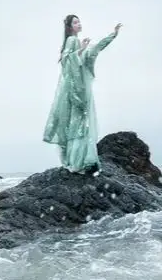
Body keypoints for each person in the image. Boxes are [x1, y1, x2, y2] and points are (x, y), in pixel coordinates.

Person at [43, 15, 122, 174]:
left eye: (79, 21)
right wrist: (81, 50)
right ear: (70, 27)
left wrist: (112, 35)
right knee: (79, 124)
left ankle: (79, 160)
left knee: (78, 124)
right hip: (75, 88)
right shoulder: (72, 40)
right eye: (75, 22)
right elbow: (66, 61)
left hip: (80, 87)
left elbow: (96, 48)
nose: (79, 24)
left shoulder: (78, 41)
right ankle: (78, 162)